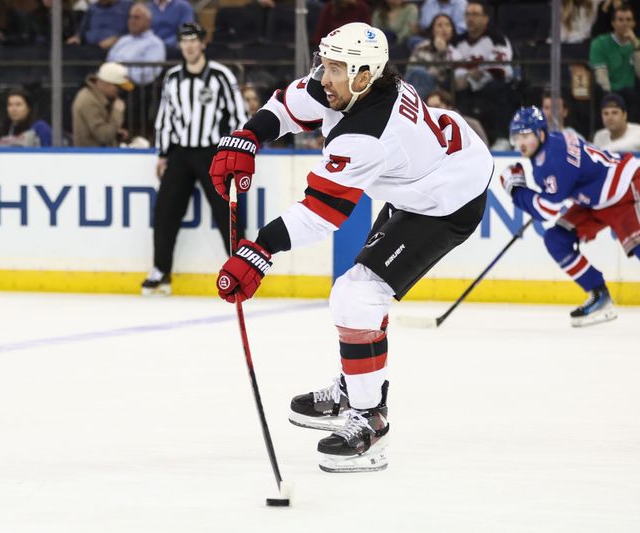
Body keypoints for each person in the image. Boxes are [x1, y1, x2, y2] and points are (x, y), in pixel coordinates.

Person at [208, 23, 492, 472]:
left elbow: (322, 213)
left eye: (336, 68)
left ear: (364, 76)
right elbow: (290, 103)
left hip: (446, 201)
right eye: (324, 63)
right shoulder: (351, 87)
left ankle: (369, 419)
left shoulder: (369, 133)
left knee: (356, 296)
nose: (323, 76)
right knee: (359, 297)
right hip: (423, 182)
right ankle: (357, 389)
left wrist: (259, 249)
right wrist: (249, 135)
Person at [502, 106, 640, 333]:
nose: (520, 142)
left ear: (541, 134)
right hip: (594, 198)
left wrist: (516, 190)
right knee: (556, 239)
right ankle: (598, 295)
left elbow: (547, 209)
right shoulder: (547, 148)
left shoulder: (554, 159)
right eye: (517, 136)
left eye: (525, 135)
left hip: (623, 191)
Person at [142, 22, 248, 296]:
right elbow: (165, 118)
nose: (189, 45)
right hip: (180, 153)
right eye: (184, 41)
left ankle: (241, 271)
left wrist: (236, 152)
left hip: (212, 152)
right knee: (165, 212)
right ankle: (160, 270)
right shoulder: (173, 77)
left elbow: (238, 116)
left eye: (193, 40)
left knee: (227, 213)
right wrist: (163, 154)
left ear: (203, 43)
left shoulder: (221, 76)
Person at [452, 0, 516, 145]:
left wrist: (471, 74)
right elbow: (454, 68)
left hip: (494, 86)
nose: (470, 18)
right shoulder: (456, 42)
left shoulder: (497, 39)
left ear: (485, 18)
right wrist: (471, 74)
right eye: (467, 14)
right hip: (466, 87)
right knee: (453, 89)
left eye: (475, 14)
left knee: (499, 89)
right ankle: (461, 139)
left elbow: (498, 69)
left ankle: (503, 138)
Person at [589, 4, 640, 110]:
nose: (625, 23)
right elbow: (601, 75)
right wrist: (610, 99)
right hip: (607, 92)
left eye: (628, 20)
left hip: (632, 94)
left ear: (634, 23)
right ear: (613, 23)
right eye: (620, 20)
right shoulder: (599, 43)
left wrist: (636, 47)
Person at [71, 61, 133, 147]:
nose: (120, 92)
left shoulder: (97, 97)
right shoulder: (88, 100)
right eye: (119, 88)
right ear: (107, 83)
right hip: (92, 157)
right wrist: (117, 112)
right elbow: (104, 136)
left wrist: (115, 132)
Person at [106, 3, 166, 86]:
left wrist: (121, 72)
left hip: (132, 87)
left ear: (148, 21)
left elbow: (147, 74)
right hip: (110, 81)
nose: (132, 21)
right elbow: (109, 59)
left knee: (89, 95)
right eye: (130, 17)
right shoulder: (123, 40)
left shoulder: (155, 44)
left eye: (136, 17)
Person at [406, 13, 456, 99]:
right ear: (433, 30)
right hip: (419, 83)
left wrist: (442, 53)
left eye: (447, 25)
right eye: (439, 25)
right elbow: (411, 70)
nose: (444, 29)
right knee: (417, 72)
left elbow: (445, 78)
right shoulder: (422, 47)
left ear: (452, 29)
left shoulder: (456, 49)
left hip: (440, 89)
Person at [67, 0, 131, 49]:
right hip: (89, 48)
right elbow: (82, 31)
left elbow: (135, 31)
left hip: (115, 48)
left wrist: (119, 40)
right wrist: (77, 38)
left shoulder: (127, 6)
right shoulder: (92, 8)